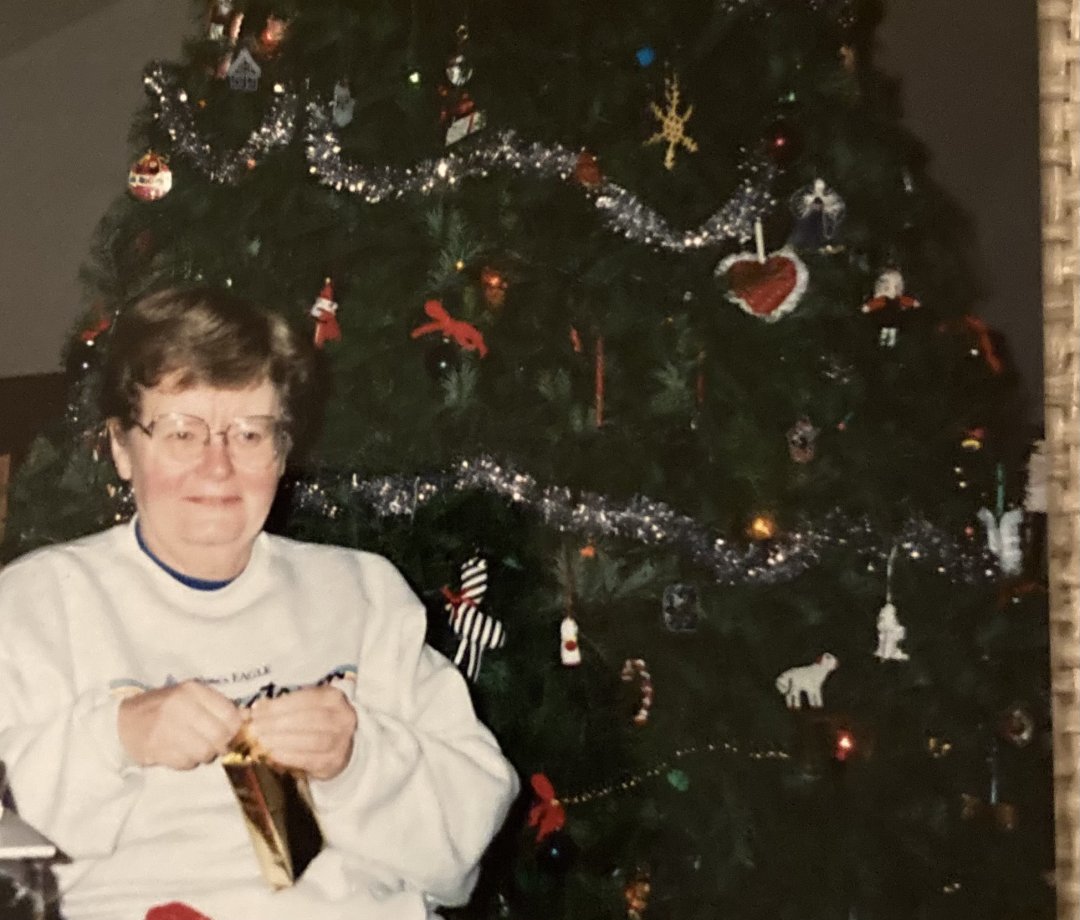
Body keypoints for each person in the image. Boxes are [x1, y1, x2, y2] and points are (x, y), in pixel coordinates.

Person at [0, 287, 519, 920]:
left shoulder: (365, 595)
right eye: (181, 431)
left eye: (250, 433)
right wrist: (115, 738)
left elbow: (463, 850)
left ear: (283, 449)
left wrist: (357, 758)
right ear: (120, 446)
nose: (217, 468)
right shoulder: (35, 604)